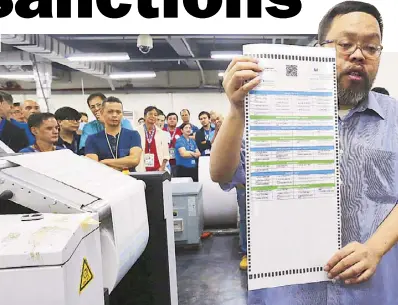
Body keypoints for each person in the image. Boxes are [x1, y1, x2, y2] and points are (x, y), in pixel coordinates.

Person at [211, 1, 398, 304]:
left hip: (370, 290)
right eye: (346, 44)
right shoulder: (269, 111)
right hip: (289, 291)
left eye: (371, 48)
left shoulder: (394, 119)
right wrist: (235, 110)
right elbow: (221, 174)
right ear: (320, 48)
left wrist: (375, 248)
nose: (358, 55)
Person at [85, 97, 142, 172]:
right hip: (103, 181)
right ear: (102, 113)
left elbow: (134, 160)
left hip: (130, 180)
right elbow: (94, 165)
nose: (115, 115)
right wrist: (123, 163)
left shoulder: (133, 135)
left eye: (118, 112)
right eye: (110, 112)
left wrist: (104, 162)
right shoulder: (92, 139)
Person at [136, 106, 170, 172]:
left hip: (157, 169)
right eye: (150, 114)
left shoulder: (161, 133)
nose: (153, 116)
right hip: (141, 169)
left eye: (155, 115)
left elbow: (166, 155)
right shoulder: (136, 131)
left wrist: (162, 168)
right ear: (145, 116)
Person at [164, 112, 183, 176]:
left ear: (177, 121)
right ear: (167, 120)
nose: (172, 120)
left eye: (174, 119)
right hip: (166, 161)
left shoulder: (181, 131)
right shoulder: (163, 131)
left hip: (178, 161)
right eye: (170, 119)